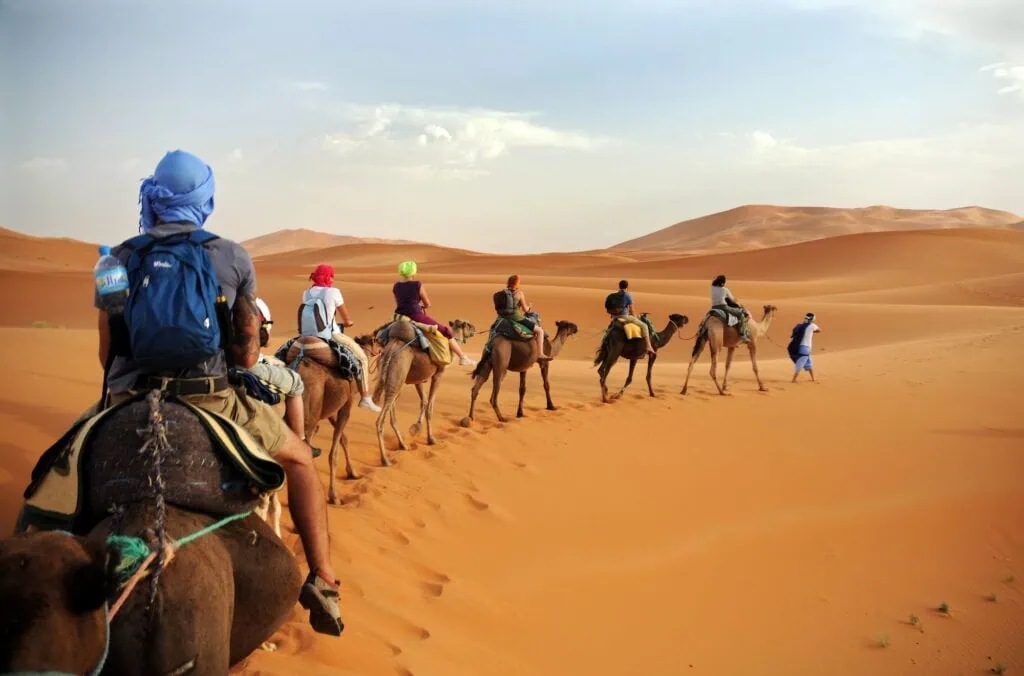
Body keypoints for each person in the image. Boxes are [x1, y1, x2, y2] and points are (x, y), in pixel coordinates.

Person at [94, 150, 344, 636]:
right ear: (204, 201)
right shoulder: (231, 255)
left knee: (54, 477)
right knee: (300, 461)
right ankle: (323, 578)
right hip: (212, 400)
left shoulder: (116, 258)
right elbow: (247, 355)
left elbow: (107, 353)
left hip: (129, 398)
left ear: (153, 198)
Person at [246, 297, 323, 458]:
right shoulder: (251, 305)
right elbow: (263, 340)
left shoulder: (307, 296)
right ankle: (301, 441)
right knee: (295, 382)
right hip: (327, 336)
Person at [301, 264, 382, 413]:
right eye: (331, 276)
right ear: (328, 277)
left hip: (307, 335)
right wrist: (348, 322)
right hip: (330, 335)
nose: (332, 279)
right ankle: (365, 398)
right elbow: (345, 317)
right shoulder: (333, 292)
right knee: (362, 359)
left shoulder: (306, 293)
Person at [393, 260, 476, 366]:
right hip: (416, 315)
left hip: (399, 316)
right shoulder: (417, 285)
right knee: (446, 331)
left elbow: (399, 303)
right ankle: (462, 357)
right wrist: (423, 306)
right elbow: (427, 303)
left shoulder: (396, 286)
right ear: (413, 272)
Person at [497, 274, 547, 358]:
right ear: (517, 283)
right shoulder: (519, 293)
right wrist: (529, 307)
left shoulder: (502, 293)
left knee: (493, 331)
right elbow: (525, 310)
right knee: (540, 331)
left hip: (502, 318)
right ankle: (540, 354)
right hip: (517, 318)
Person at [605, 279, 655, 356]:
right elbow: (632, 310)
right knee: (644, 326)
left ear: (619, 286)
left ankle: (605, 342)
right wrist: (636, 317)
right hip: (625, 317)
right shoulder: (628, 295)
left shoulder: (614, 295)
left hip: (615, 317)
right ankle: (649, 346)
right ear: (627, 287)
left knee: (608, 330)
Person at [710, 274, 749, 340]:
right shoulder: (725, 290)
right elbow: (732, 300)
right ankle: (742, 334)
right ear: (722, 283)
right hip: (723, 307)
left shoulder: (712, 288)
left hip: (714, 308)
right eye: (724, 282)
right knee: (741, 314)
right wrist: (738, 303)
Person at [790, 312, 821, 383]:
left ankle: (813, 378)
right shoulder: (812, 325)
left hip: (801, 347)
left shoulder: (800, 326)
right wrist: (812, 332)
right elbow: (819, 330)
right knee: (800, 363)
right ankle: (794, 379)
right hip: (806, 347)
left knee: (809, 363)